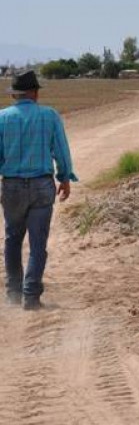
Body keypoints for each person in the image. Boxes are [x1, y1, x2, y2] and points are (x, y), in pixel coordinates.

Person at [0, 70, 77, 310]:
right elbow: (61, 151)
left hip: (11, 185)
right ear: (34, 93)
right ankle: (31, 297)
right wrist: (64, 178)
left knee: (12, 239)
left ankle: (13, 293)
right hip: (42, 186)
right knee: (37, 243)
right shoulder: (49, 115)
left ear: (15, 95)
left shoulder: (2, 118)